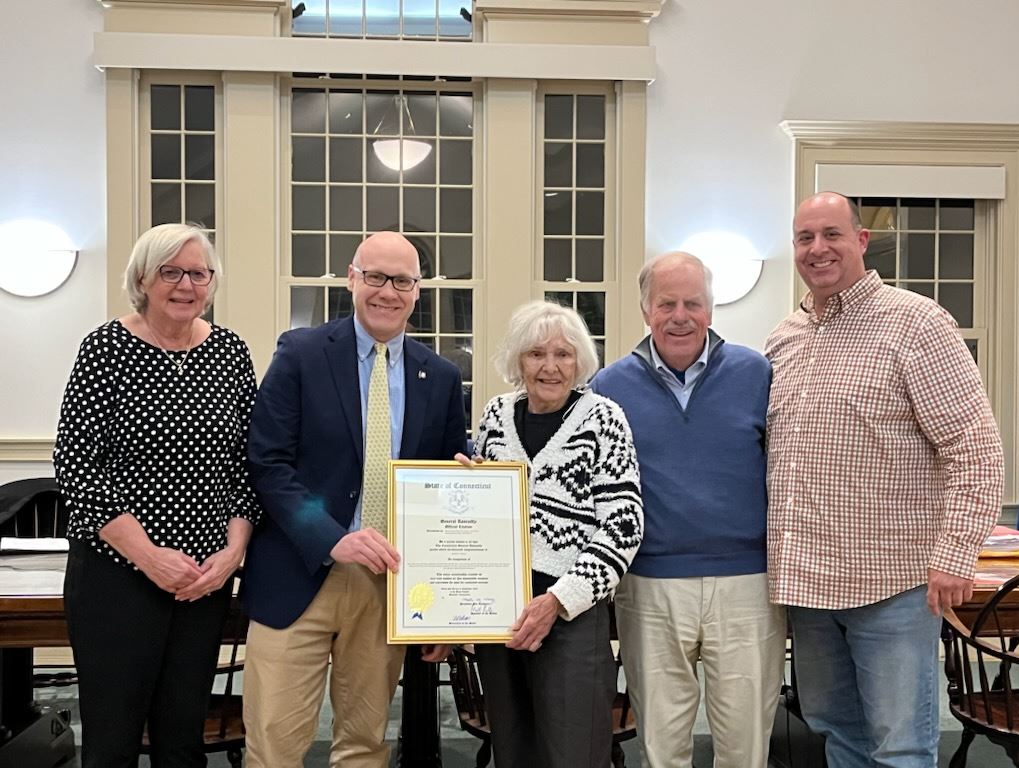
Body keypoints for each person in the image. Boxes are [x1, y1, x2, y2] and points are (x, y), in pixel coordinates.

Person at [765, 191, 1005, 766]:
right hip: (809, 588)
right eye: (805, 238)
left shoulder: (916, 324)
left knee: (899, 745)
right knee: (836, 730)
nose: (817, 249)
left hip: (891, 583)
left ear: (861, 241)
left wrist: (955, 554)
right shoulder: (783, 338)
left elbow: (975, 447)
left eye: (831, 235)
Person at [243, 231, 466, 768]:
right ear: (352, 278)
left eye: (403, 281)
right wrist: (332, 538)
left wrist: (445, 618)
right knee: (273, 746)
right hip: (298, 573)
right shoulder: (300, 353)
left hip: (386, 585)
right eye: (375, 277)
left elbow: (444, 489)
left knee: (364, 745)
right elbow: (267, 463)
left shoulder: (440, 377)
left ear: (418, 292)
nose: (387, 291)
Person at [54, 223, 260, 768]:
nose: (186, 284)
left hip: (202, 581)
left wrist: (232, 553)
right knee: (112, 740)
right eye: (171, 271)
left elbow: (247, 468)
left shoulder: (230, 353)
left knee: (182, 738)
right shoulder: (106, 348)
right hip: (116, 574)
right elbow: (77, 468)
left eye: (199, 273)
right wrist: (148, 556)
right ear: (143, 279)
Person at [590, 252, 786, 768]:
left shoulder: (756, 373)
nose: (680, 315)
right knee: (661, 742)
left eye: (693, 303)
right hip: (649, 584)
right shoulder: (609, 388)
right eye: (666, 303)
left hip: (749, 584)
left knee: (745, 746)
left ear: (711, 309)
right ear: (644, 309)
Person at [463, 299, 643, 768]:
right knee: (513, 746)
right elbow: (483, 515)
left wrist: (559, 600)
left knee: (573, 751)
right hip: (500, 611)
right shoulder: (495, 416)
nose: (550, 366)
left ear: (579, 360)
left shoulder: (604, 418)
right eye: (536, 354)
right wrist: (464, 488)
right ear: (517, 360)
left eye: (563, 354)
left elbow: (624, 525)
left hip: (569, 613)